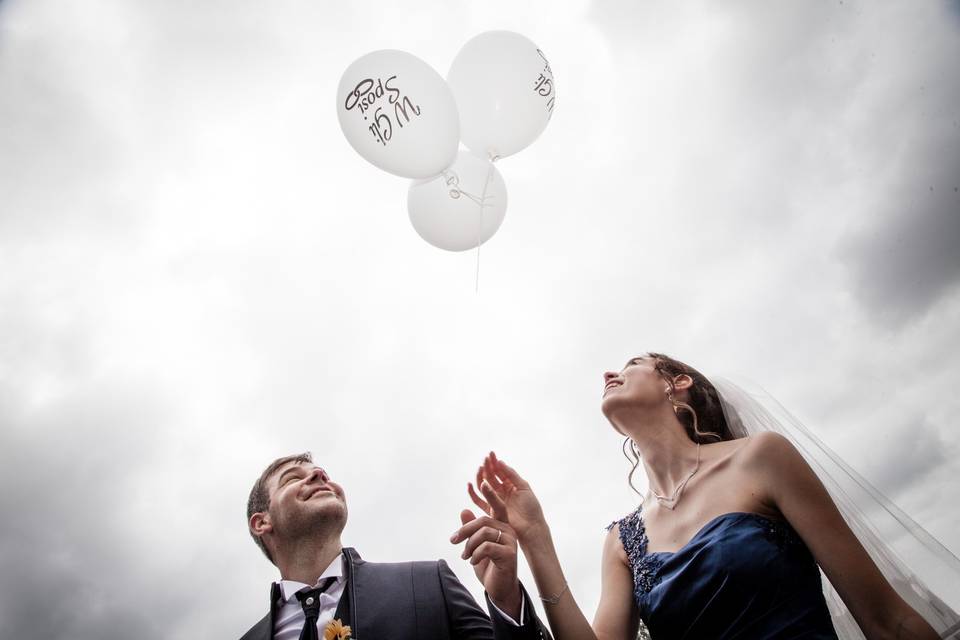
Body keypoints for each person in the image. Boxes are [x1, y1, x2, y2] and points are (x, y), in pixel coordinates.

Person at [450, 353, 950, 639]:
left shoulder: (761, 459)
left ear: (678, 383)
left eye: (632, 363)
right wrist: (537, 540)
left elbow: (887, 618)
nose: (608, 374)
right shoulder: (624, 541)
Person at [240, 452, 552, 640]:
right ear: (261, 522)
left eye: (320, 473)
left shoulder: (429, 584)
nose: (319, 475)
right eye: (293, 478)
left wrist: (507, 602)